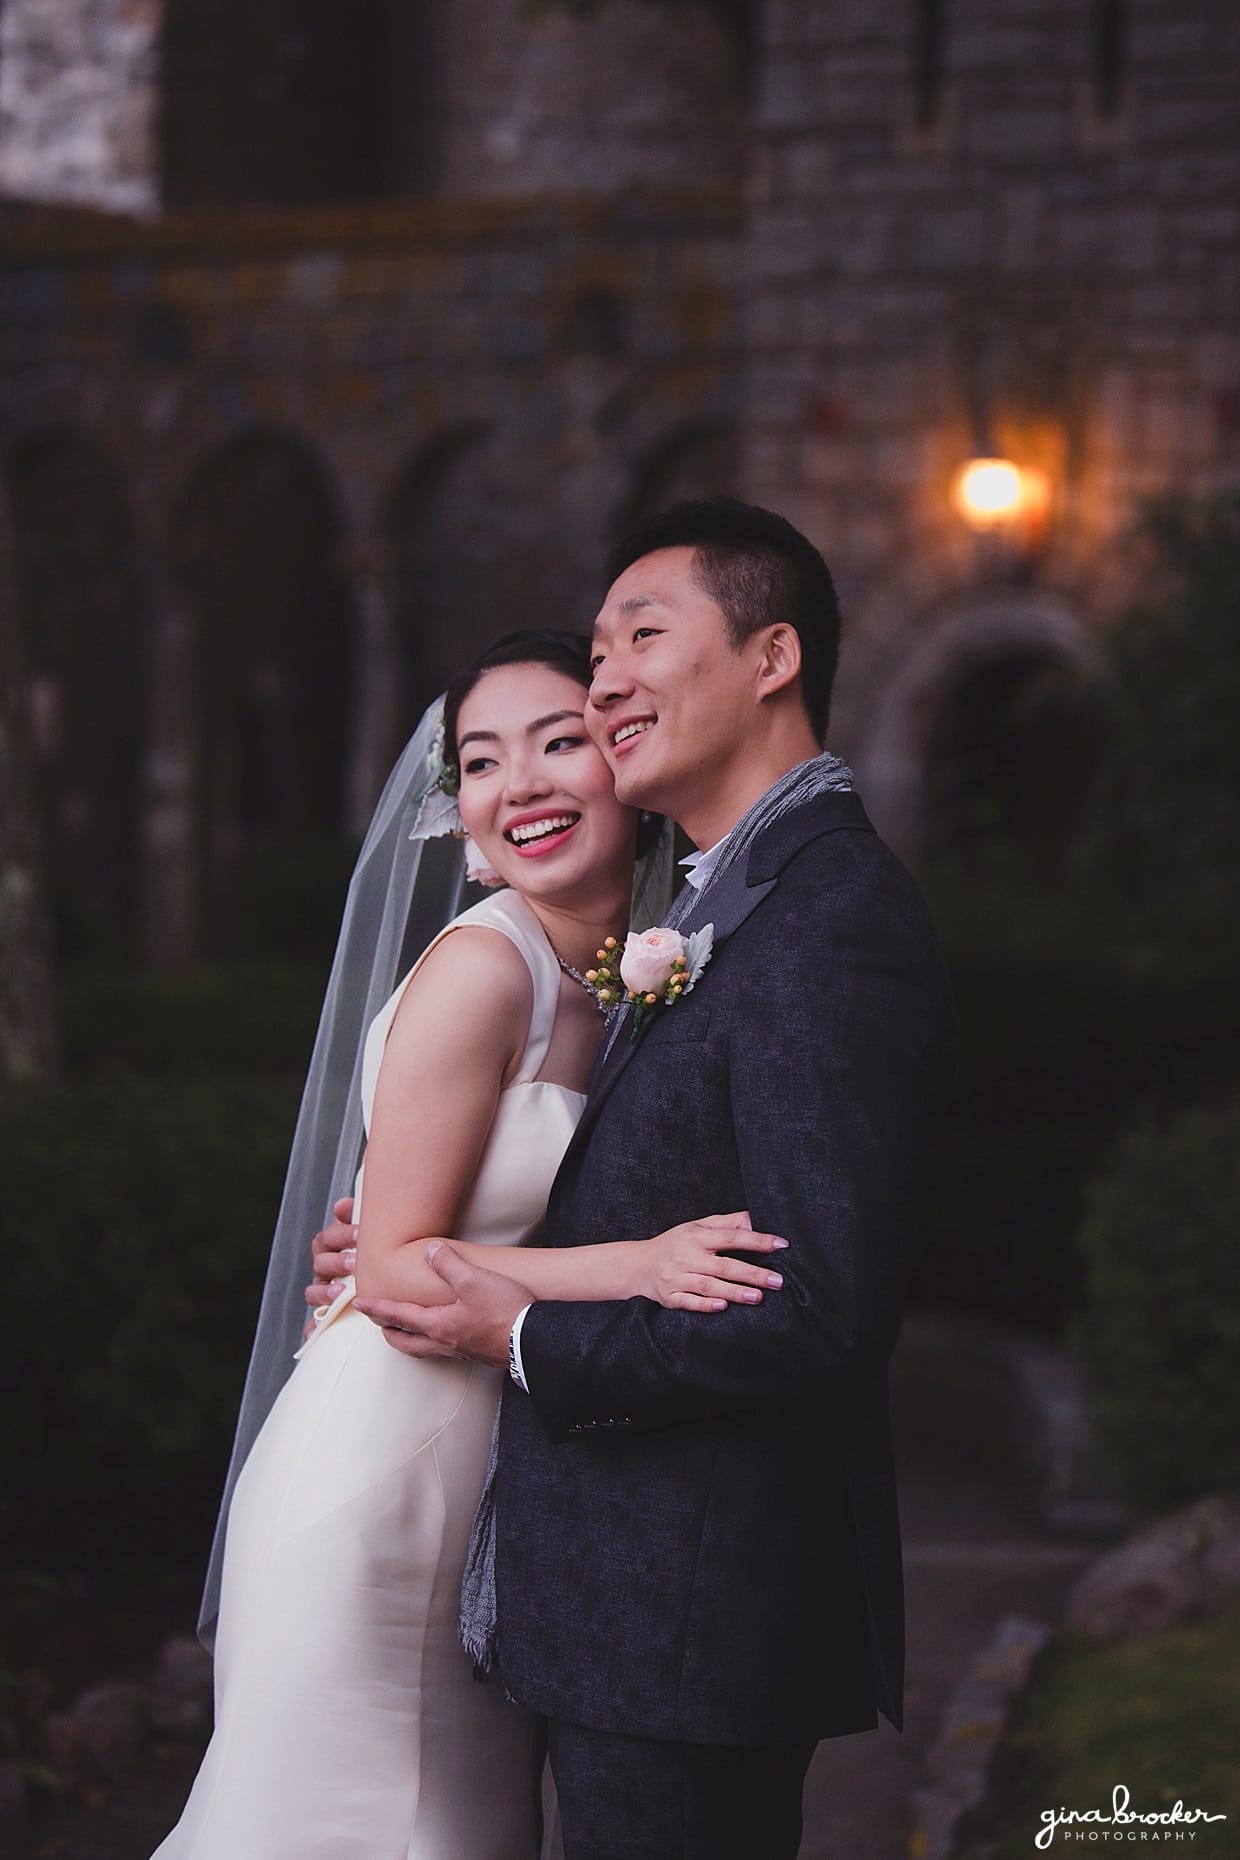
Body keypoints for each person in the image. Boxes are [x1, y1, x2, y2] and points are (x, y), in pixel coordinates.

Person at [350, 498, 959, 1860]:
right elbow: (635, 1178)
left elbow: (815, 1309)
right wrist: (433, 1234)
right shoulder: (710, 904)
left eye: (641, 633)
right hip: (622, 1612)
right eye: (601, 647)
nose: (607, 672)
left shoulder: (828, 923)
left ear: (773, 656)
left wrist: (508, 1323)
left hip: (688, 1615)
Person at [153, 629, 789, 1860]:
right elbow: (392, 1266)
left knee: (466, 1825)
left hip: (487, 1477)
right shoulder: (483, 970)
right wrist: (640, 1264)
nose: (522, 786)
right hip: (379, 1477)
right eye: (483, 761)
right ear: (459, 809)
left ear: (628, 756)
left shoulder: (616, 979)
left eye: (562, 741)